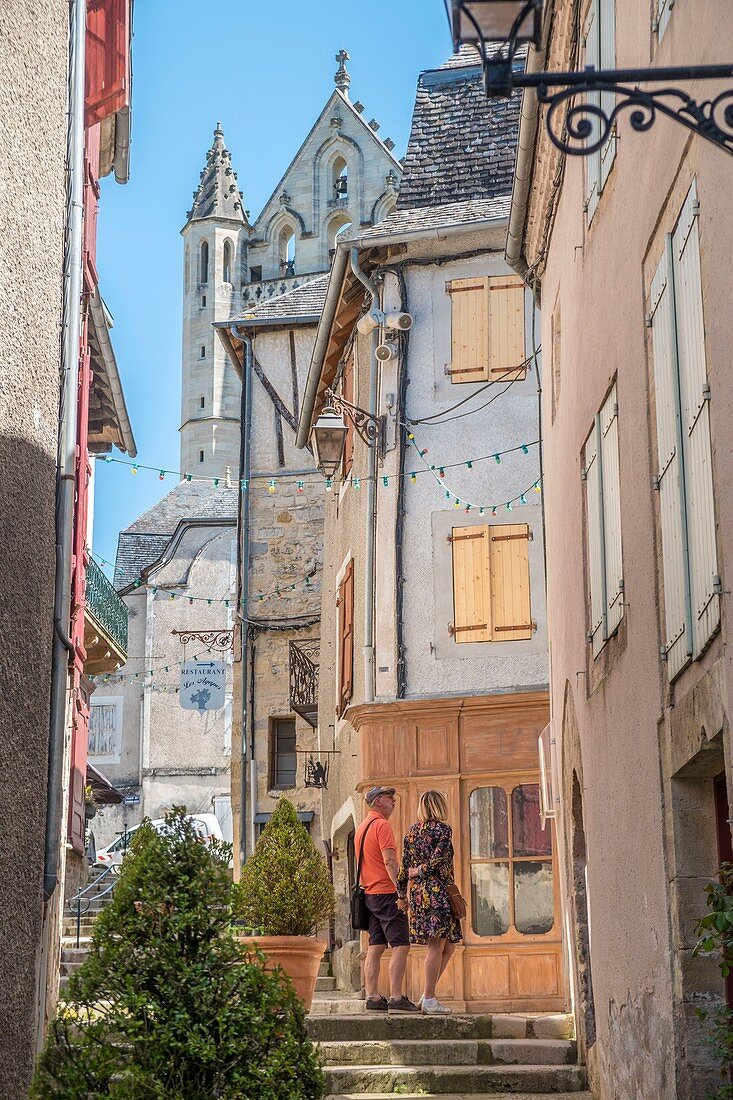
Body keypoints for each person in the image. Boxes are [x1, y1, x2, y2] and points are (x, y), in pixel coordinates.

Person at [354, 786, 419, 1013]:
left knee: (376, 946)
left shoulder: (362, 828)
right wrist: (401, 893)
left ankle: (372, 996)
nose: (394, 802)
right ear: (378, 801)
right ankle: (396, 997)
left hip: (369, 894)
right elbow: (390, 861)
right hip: (386, 893)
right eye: (391, 799)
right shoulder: (382, 825)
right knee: (401, 945)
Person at [397, 790, 462, 1015]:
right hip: (436, 894)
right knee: (437, 945)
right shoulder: (443, 830)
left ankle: (427, 994)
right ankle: (430, 998)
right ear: (439, 807)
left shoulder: (411, 833)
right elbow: (436, 861)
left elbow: (403, 868)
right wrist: (421, 870)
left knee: (450, 945)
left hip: (418, 895)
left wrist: (402, 895)